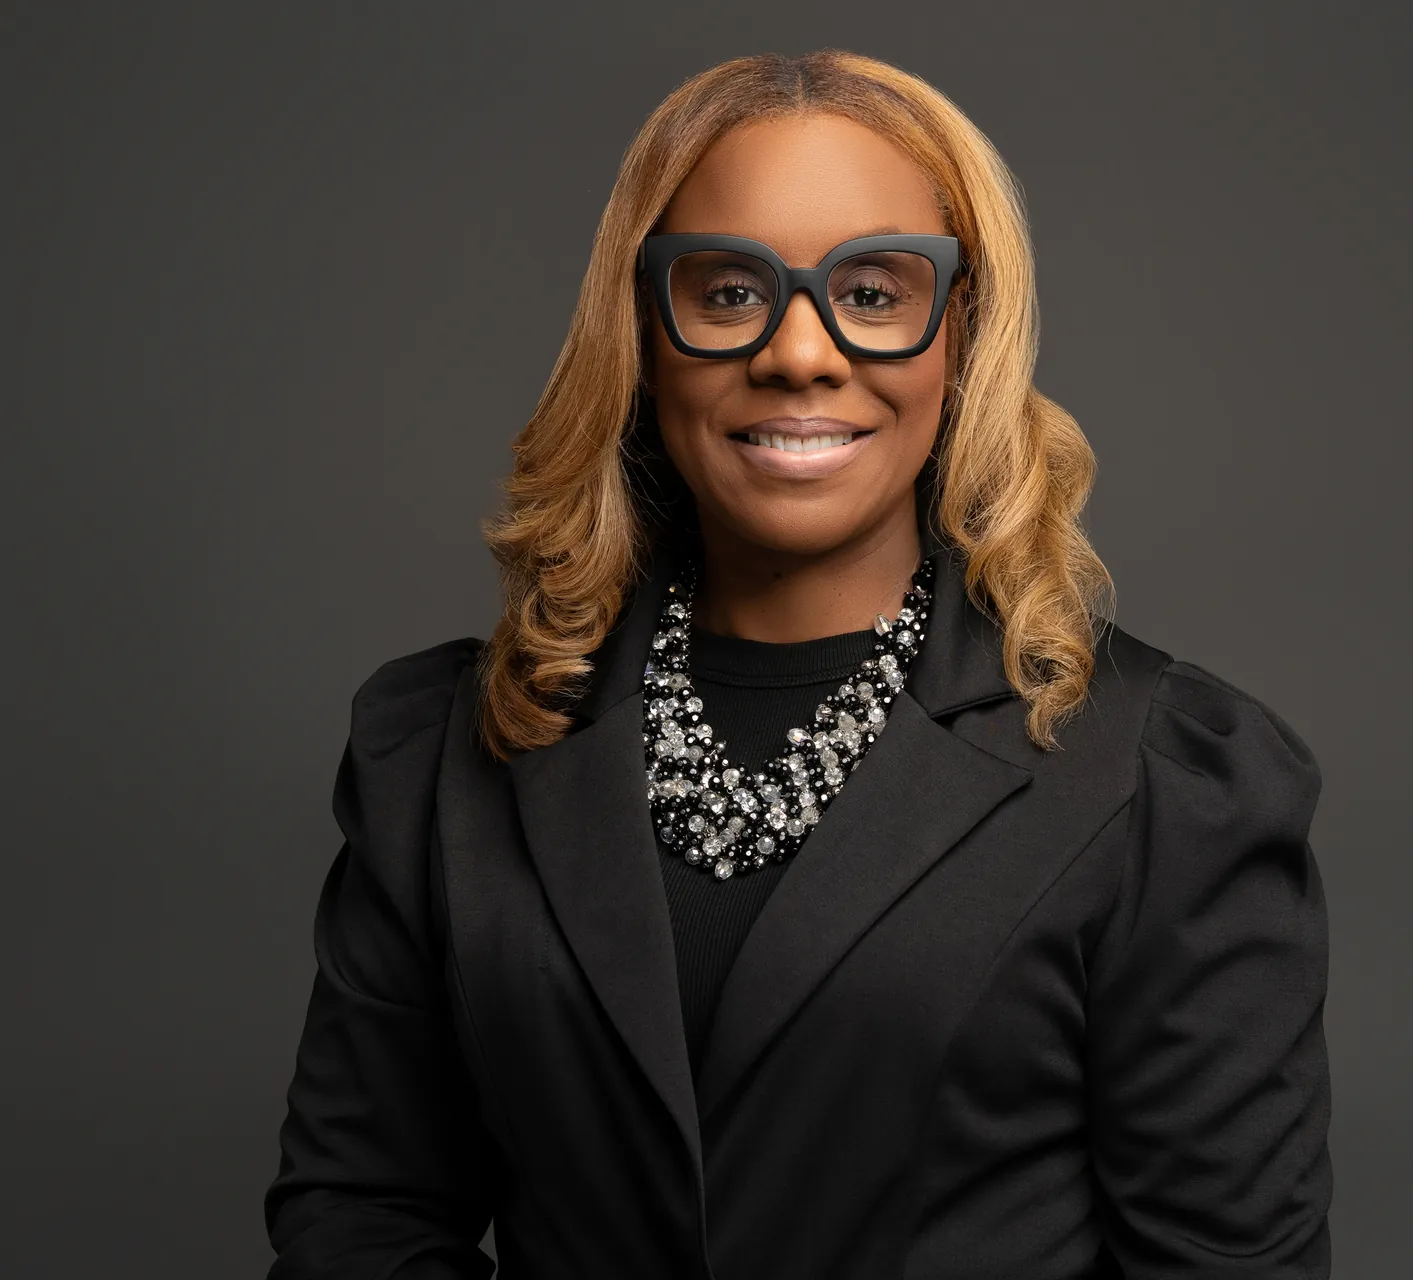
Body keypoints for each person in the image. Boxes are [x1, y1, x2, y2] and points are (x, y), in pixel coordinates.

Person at [263, 49, 1332, 1280]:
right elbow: (363, 1217)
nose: (801, 352)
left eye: (874, 290)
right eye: (729, 290)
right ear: (641, 327)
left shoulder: (1161, 783)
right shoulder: (445, 755)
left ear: (962, 332)